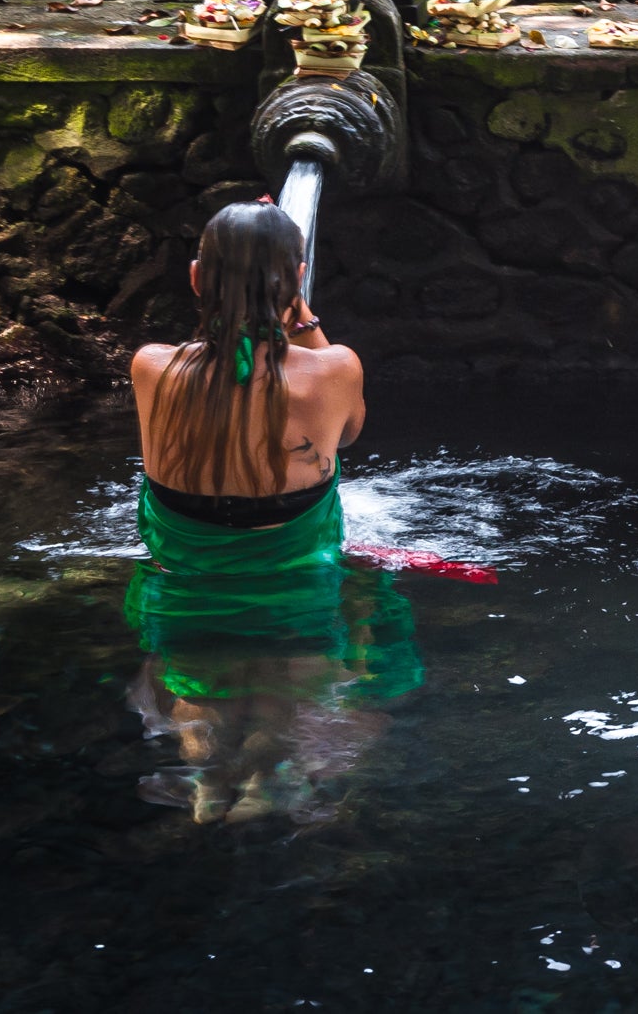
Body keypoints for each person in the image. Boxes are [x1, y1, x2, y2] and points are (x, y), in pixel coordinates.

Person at [122, 201, 418, 824]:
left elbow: (218, 365)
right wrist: (302, 313)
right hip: (298, 592)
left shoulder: (151, 368)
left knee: (197, 684)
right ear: (297, 280)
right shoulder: (334, 372)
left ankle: (209, 785)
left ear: (197, 278)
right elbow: (351, 432)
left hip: (188, 589)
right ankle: (263, 785)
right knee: (293, 685)